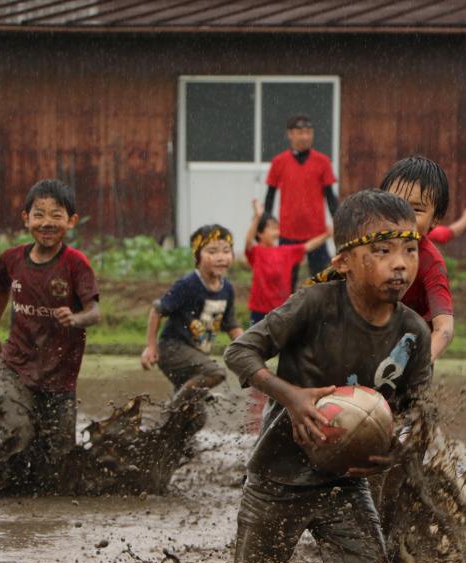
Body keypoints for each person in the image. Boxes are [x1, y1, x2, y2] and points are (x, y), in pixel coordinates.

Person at [221, 189, 432, 563]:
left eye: (409, 250)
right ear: (344, 263)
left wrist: (396, 447)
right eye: (383, 251)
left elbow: (419, 410)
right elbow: (239, 351)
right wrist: (291, 396)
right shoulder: (314, 305)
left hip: (345, 486)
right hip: (277, 480)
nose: (400, 263)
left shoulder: (414, 332)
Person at [0, 178, 101, 463]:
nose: (47, 223)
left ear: (71, 221)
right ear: (27, 219)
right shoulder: (10, 259)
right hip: (16, 365)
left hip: (60, 378)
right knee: (18, 434)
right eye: (39, 215)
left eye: (56, 215)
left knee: (60, 459)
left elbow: (95, 313)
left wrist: (75, 318)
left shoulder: (76, 264)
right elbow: (0, 290)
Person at [140, 225, 243, 404]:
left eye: (226, 251)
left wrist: (250, 349)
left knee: (195, 418)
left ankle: (166, 425)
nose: (221, 257)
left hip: (196, 355)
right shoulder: (188, 284)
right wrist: (151, 346)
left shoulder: (227, 289)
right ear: (197, 256)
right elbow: (157, 310)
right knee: (215, 373)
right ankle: (174, 407)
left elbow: (232, 326)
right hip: (173, 349)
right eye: (212, 251)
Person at [380, 156, 456, 361]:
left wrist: (421, 363)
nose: (402, 215)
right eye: (394, 203)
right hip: (366, 342)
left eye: (416, 209)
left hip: (409, 352)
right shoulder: (364, 248)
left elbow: (445, 329)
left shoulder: (431, 262)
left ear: (435, 220)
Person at [263, 114, 339, 289]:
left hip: (316, 233)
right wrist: (265, 225)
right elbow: (270, 196)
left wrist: (339, 221)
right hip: (288, 232)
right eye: (300, 132)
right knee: (285, 281)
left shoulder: (323, 161)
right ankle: (288, 315)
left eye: (308, 132)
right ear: (290, 134)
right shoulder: (279, 162)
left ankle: (320, 314)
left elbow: (330, 196)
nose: (305, 136)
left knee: (322, 280)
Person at [245, 198, 331, 325]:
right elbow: (248, 241)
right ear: (259, 233)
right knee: (256, 342)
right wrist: (257, 216)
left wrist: (327, 235)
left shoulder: (286, 252)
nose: (276, 230)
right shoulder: (256, 252)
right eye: (271, 227)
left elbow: (308, 246)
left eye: (276, 227)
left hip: (281, 308)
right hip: (258, 310)